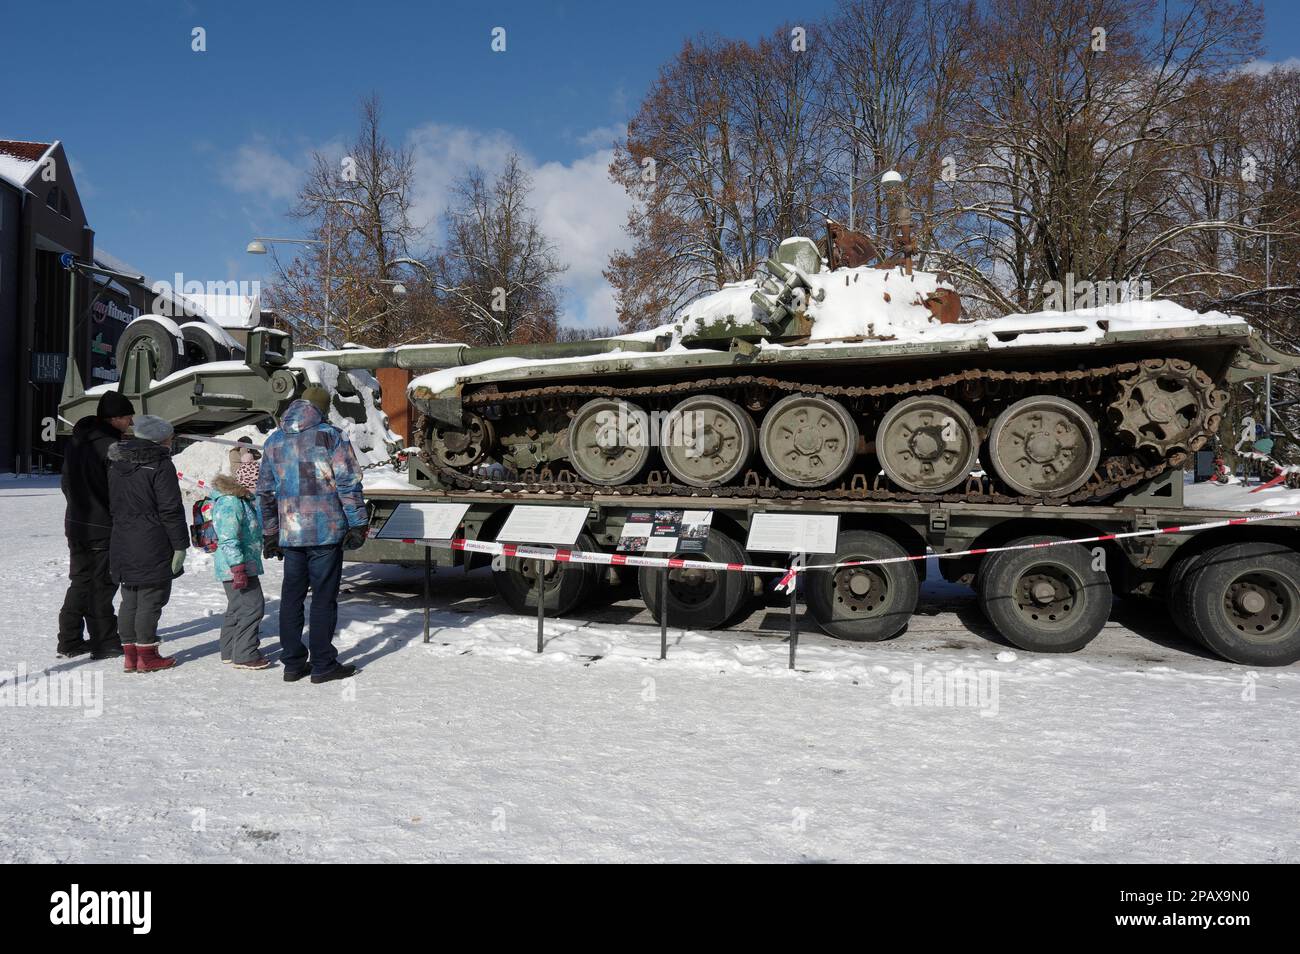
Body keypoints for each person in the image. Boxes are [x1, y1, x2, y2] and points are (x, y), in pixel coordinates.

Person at [257, 386, 368, 684]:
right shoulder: (330, 436)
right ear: (321, 409)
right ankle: (322, 664)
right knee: (322, 598)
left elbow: (264, 491)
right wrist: (358, 523)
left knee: (291, 597)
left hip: (291, 534)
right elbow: (348, 483)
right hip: (325, 532)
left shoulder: (274, 440)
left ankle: (292, 663)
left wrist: (270, 532)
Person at [107, 415, 189, 673]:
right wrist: (180, 545)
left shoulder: (116, 463)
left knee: (129, 597)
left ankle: (130, 655)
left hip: (122, 538)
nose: (171, 441)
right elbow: (170, 509)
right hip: (152, 539)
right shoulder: (160, 465)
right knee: (151, 597)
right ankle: (147, 654)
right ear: (159, 439)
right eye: (169, 437)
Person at [57, 390, 135, 659]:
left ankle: (69, 639)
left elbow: (65, 483)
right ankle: (105, 642)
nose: (131, 422)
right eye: (127, 417)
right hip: (102, 526)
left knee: (80, 581)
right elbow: (120, 491)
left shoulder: (78, 442)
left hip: (76, 523)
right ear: (114, 418)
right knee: (102, 584)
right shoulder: (112, 449)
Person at [209, 470, 270, 670]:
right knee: (252, 607)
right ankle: (245, 654)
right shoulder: (230, 502)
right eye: (254, 484)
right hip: (236, 565)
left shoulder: (240, 500)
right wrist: (238, 568)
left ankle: (229, 651)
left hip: (242, 563)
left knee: (237, 608)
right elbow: (228, 538)